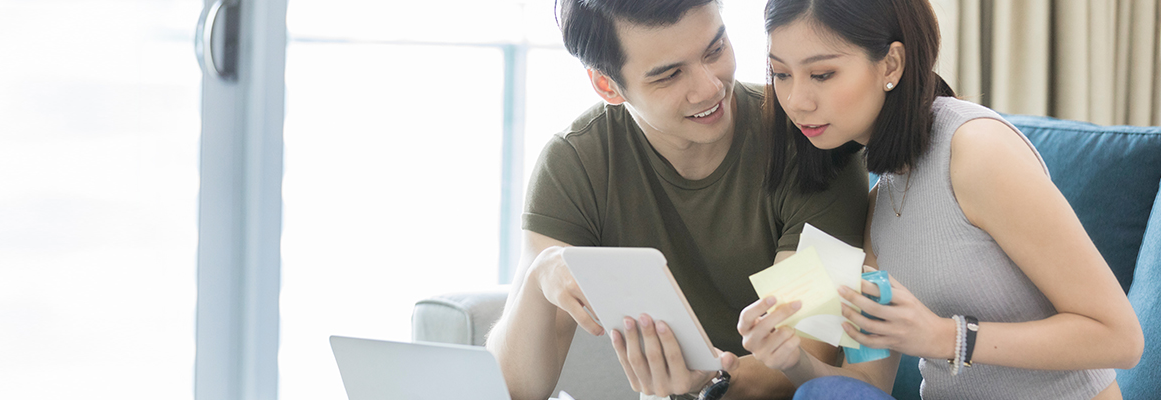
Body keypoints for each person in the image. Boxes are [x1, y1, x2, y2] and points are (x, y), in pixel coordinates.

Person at [735, 0, 1145, 399]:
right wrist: (790, 360)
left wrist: (944, 336)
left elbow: (1120, 337)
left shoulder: (976, 151)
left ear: (891, 64)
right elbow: (866, 382)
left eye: (822, 74)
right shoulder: (880, 203)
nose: (796, 101)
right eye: (781, 74)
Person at [483, 0, 870, 399]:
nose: (710, 87)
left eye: (715, 50)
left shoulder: (812, 143)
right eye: (669, 75)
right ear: (608, 85)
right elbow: (513, 390)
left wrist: (709, 382)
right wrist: (538, 275)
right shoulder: (577, 162)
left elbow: (805, 351)